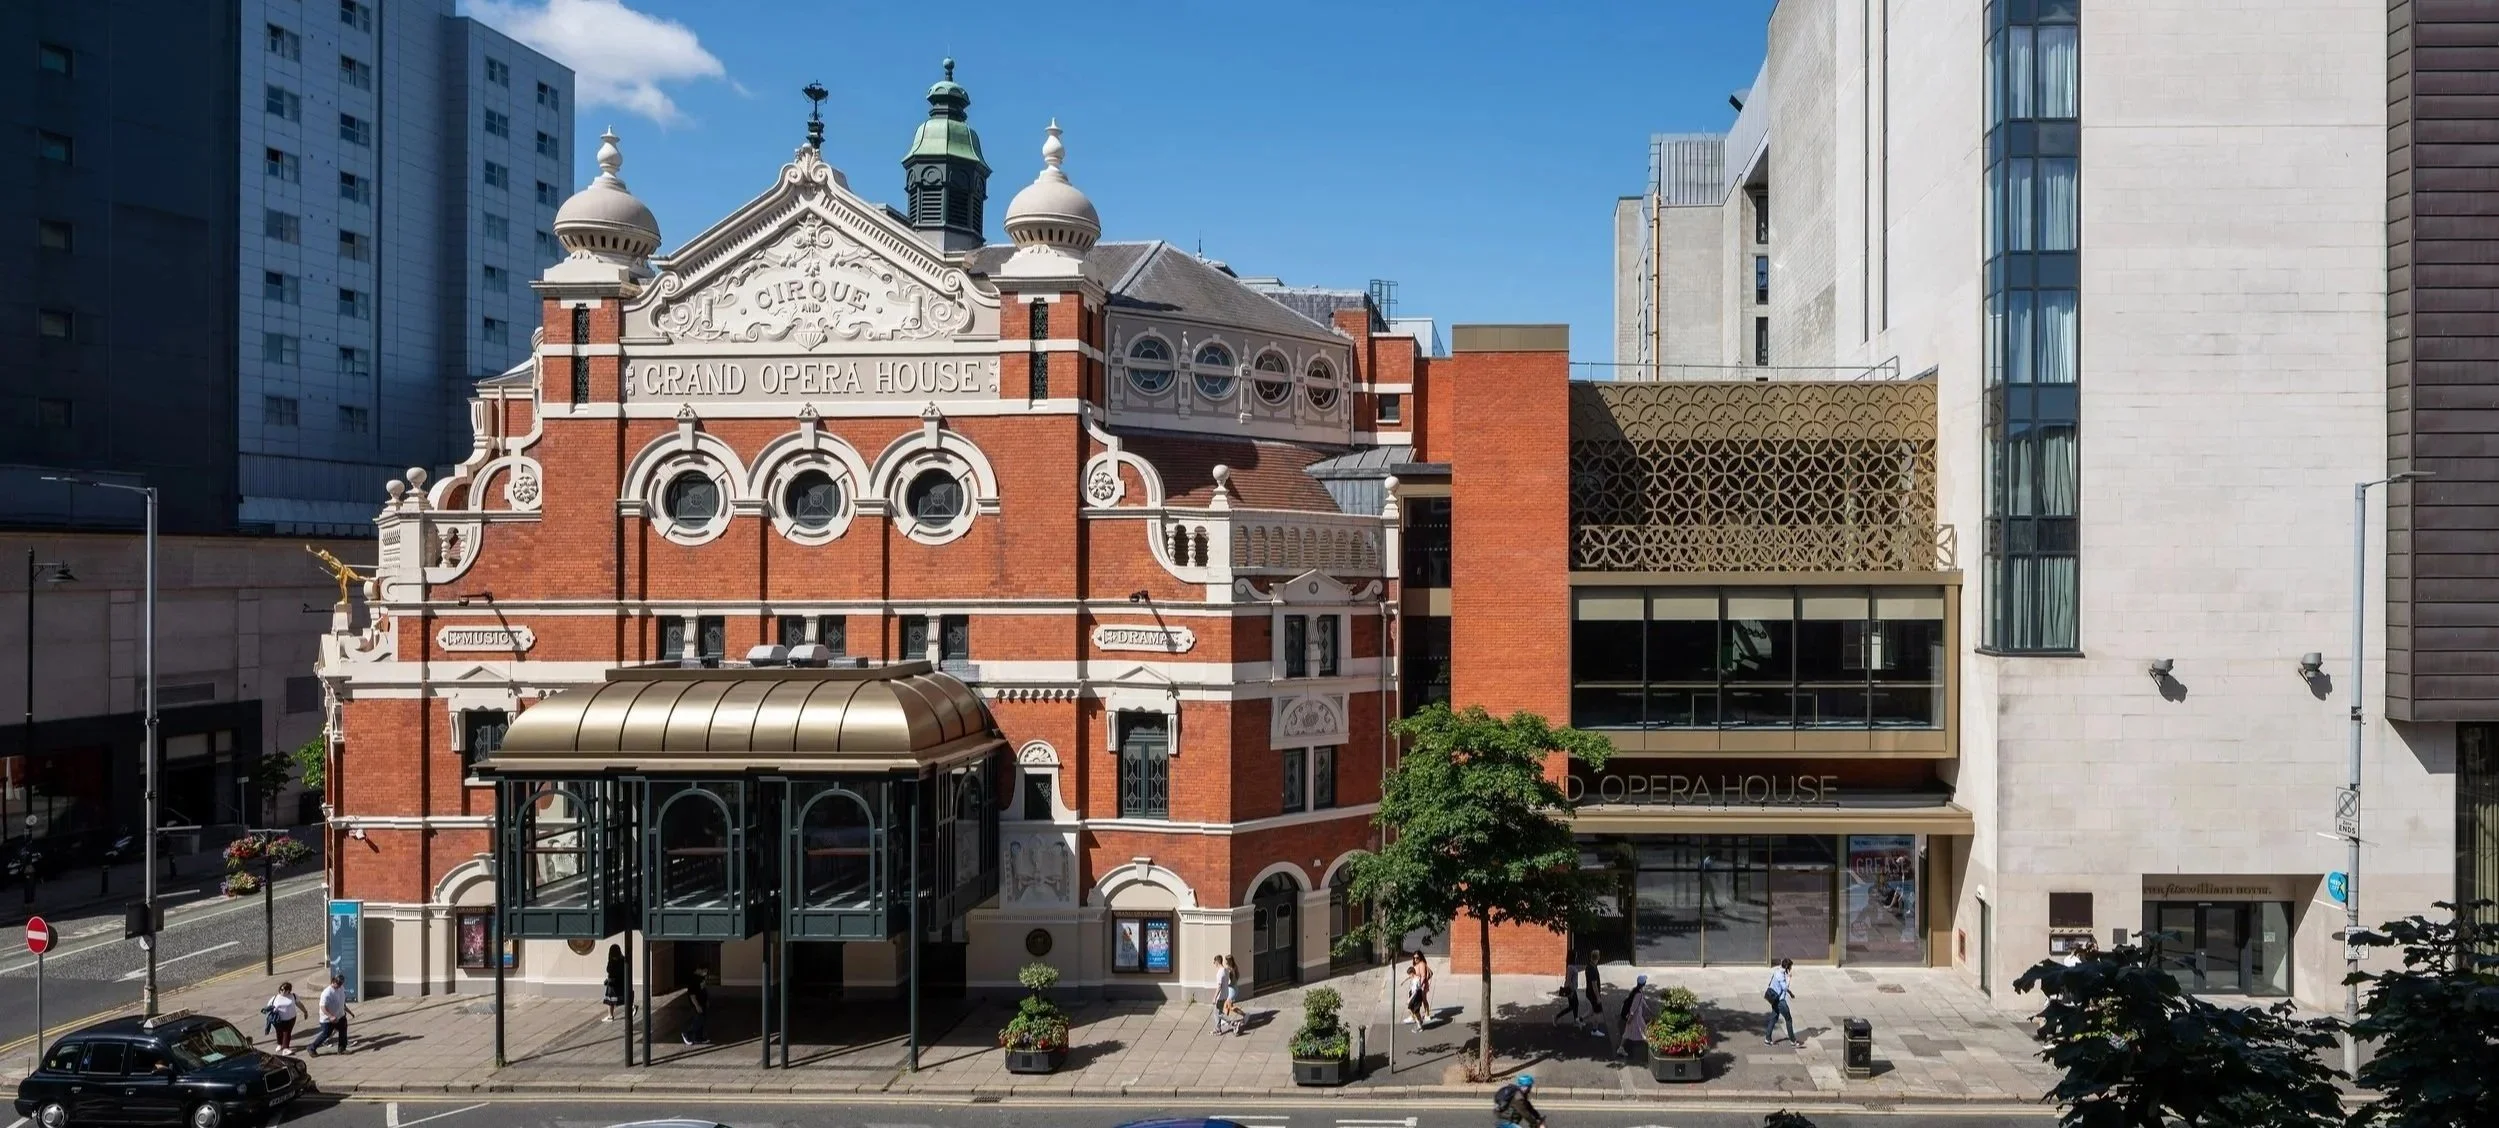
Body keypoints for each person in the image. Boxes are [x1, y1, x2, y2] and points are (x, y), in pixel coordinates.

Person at [306, 975, 352, 1056]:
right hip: (328, 1019)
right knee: (326, 1034)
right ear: (333, 982)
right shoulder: (327, 993)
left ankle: (342, 1049)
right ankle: (311, 1047)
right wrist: (330, 1016)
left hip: (340, 1015)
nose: (339, 986)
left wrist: (348, 1010)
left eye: (341, 984)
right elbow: (323, 1007)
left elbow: (342, 1001)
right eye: (338, 984)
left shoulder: (341, 988)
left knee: (343, 1031)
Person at [1612, 974, 1655, 1062]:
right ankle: (1652, 1047)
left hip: (1636, 1017)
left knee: (1632, 1031)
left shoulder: (1636, 991)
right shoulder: (1638, 994)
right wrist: (1630, 1018)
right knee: (1642, 1030)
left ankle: (1621, 1048)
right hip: (1635, 1017)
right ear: (1644, 983)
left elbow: (1642, 1002)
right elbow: (1633, 1007)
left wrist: (1648, 1010)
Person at [1763, 957, 1799, 1046]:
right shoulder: (1781, 976)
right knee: (1788, 1019)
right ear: (1787, 967)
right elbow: (1784, 987)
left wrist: (1790, 993)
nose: (1791, 969)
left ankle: (1767, 1038)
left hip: (1774, 999)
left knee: (1774, 1018)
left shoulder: (1777, 971)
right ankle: (1793, 1040)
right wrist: (1790, 978)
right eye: (1790, 967)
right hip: (1780, 1001)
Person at [264, 982, 303, 1054]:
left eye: (285, 990)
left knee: (287, 1032)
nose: (282, 991)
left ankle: (285, 1048)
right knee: (279, 1032)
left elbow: (299, 1004)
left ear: (289, 990)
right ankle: (280, 1044)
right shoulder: (275, 998)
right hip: (278, 1019)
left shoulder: (293, 996)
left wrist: (305, 1011)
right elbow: (268, 1007)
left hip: (291, 1018)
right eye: (281, 989)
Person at [681, 967, 711, 1045]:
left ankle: (699, 1038)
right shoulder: (693, 980)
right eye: (703, 970)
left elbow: (704, 990)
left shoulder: (701, 978)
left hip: (702, 1002)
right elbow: (692, 995)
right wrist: (697, 1005)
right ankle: (687, 1034)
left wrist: (706, 1000)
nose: (705, 972)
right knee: (698, 1019)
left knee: (702, 1019)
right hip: (697, 1003)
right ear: (697, 970)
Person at [1403, 951, 1433, 1028]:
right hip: (1417, 985)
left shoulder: (1422, 964)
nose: (1415, 959)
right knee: (1418, 1000)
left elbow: (1423, 976)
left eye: (1417, 958)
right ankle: (1414, 1016)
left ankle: (1427, 1015)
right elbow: (1413, 974)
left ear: (1420, 957)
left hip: (1421, 986)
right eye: (1414, 958)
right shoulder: (1415, 964)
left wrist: (1421, 985)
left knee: (1423, 1000)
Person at [1211, 955, 1239, 1035]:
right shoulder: (1226, 970)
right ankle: (1218, 1029)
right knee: (1216, 1012)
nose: (1214, 964)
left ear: (1217, 961)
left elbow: (1219, 986)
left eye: (1214, 962)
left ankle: (1233, 1023)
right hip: (1225, 994)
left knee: (1219, 1013)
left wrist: (1214, 997)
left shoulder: (1220, 972)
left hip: (1220, 996)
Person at [601, 944, 627, 1022]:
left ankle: (610, 1015)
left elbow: (609, 970)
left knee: (610, 1000)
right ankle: (631, 1007)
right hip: (621, 983)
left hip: (612, 983)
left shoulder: (612, 961)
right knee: (623, 997)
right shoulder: (623, 960)